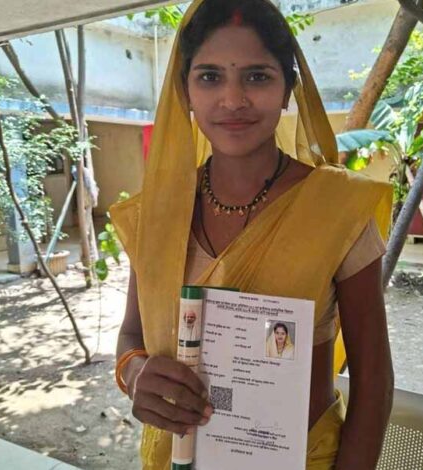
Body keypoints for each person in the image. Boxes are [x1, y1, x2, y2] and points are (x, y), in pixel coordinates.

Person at [112, 0, 394, 469]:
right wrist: (135, 372)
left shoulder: (337, 209)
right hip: (178, 459)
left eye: (257, 76)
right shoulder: (158, 215)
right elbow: (131, 336)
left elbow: (374, 381)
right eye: (209, 76)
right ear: (185, 90)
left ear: (287, 90)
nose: (233, 100)